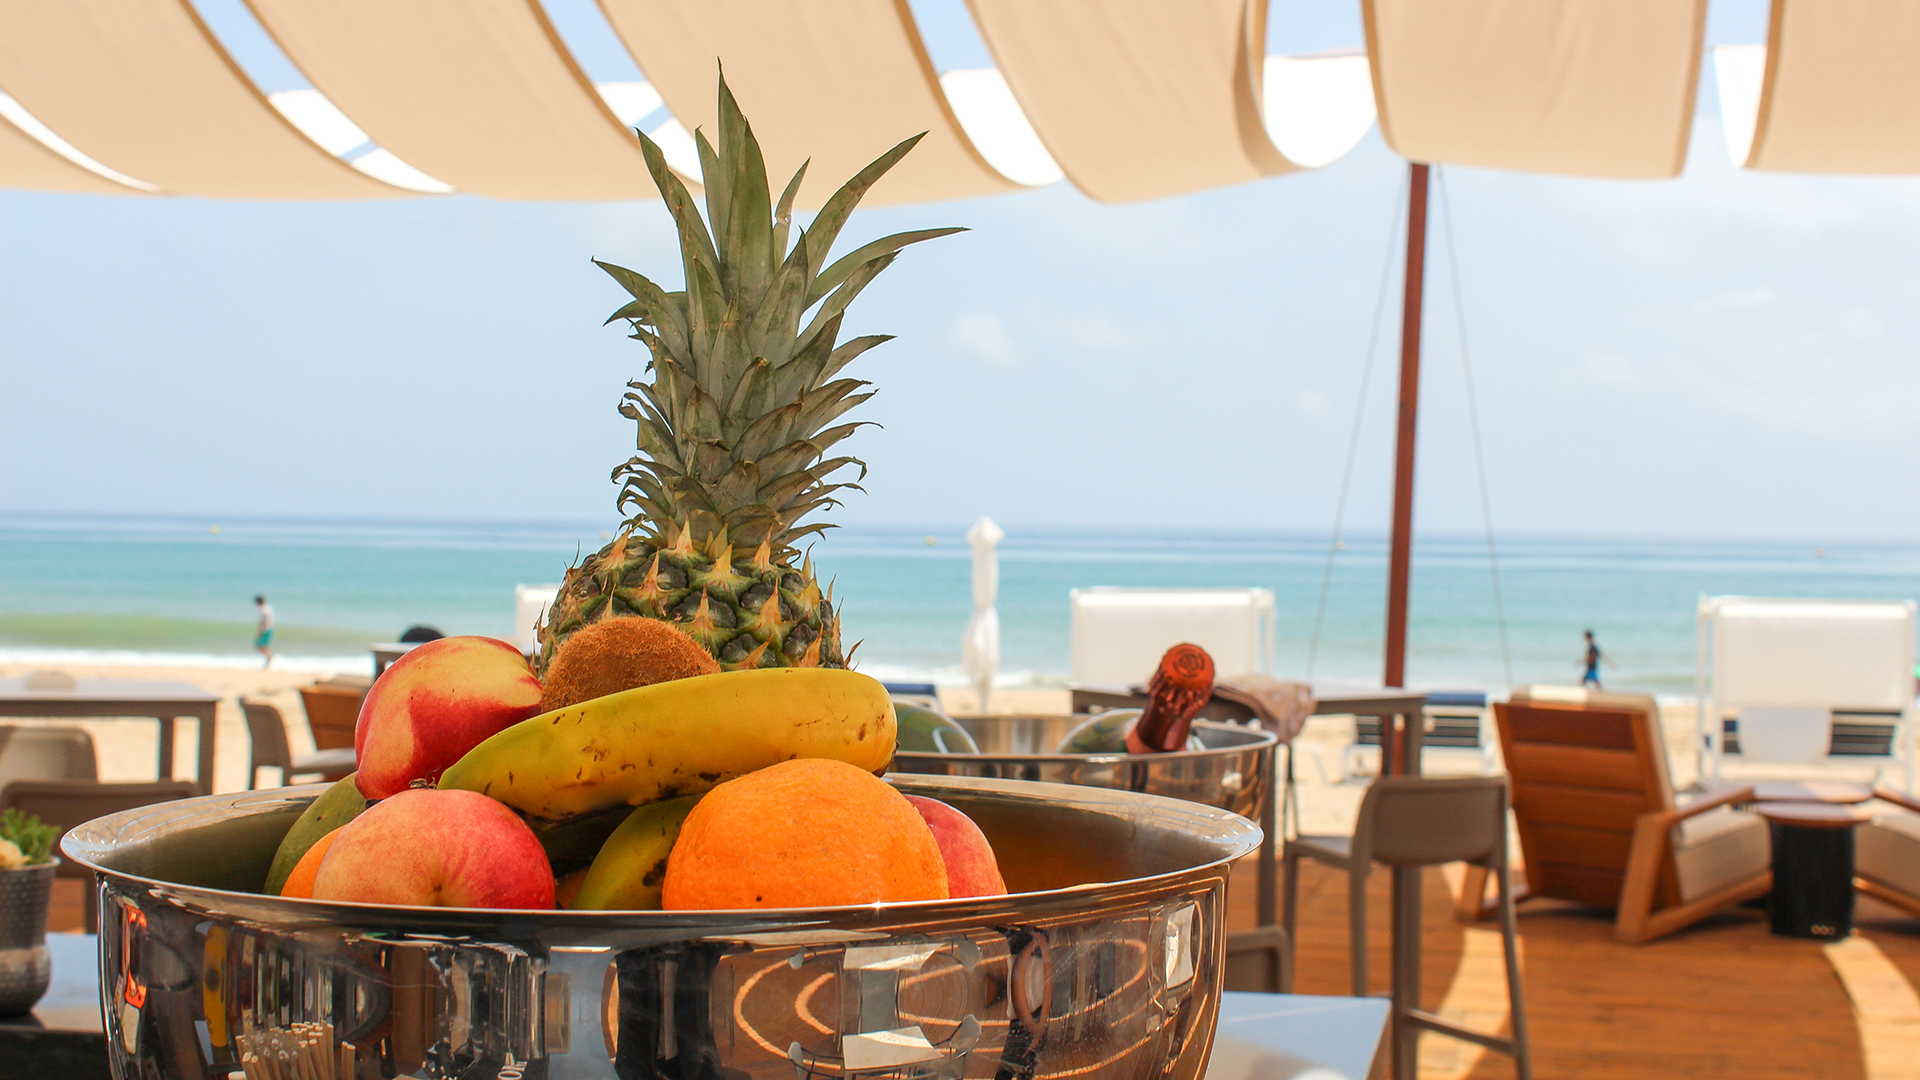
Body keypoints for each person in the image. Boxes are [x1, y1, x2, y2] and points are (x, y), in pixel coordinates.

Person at [254, 595, 275, 670]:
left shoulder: (263, 610)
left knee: (258, 645)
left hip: (265, 629)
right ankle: (268, 661)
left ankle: (269, 658)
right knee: (264, 646)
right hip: (269, 628)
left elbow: (263, 621)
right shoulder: (269, 608)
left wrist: (260, 630)